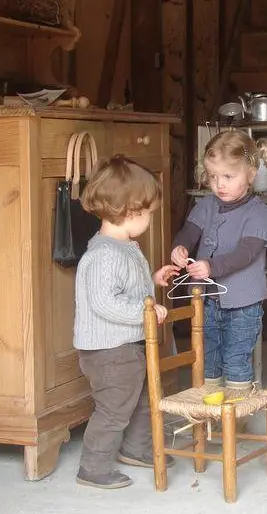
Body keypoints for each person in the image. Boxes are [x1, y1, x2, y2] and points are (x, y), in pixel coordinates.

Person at [73, 155, 182, 489]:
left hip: (125, 346)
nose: (150, 218)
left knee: (140, 400)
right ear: (130, 211)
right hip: (108, 351)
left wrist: (152, 279)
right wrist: (145, 312)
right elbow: (106, 302)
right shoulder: (104, 254)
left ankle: (136, 449)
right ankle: (92, 467)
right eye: (148, 212)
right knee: (114, 408)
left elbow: (125, 289)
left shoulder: (122, 248)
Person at [170, 130, 267, 390]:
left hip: (244, 305)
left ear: (251, 174)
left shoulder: (260, 213)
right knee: (207, 360)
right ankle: (212, 416)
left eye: (228, 177)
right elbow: (189, 231)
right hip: (205, 301)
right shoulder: (206, 204)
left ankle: (234, 422)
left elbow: (246, 253)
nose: (220, 184)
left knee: (236, 361)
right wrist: (180, 247)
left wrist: (211, 266)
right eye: (213, 176)